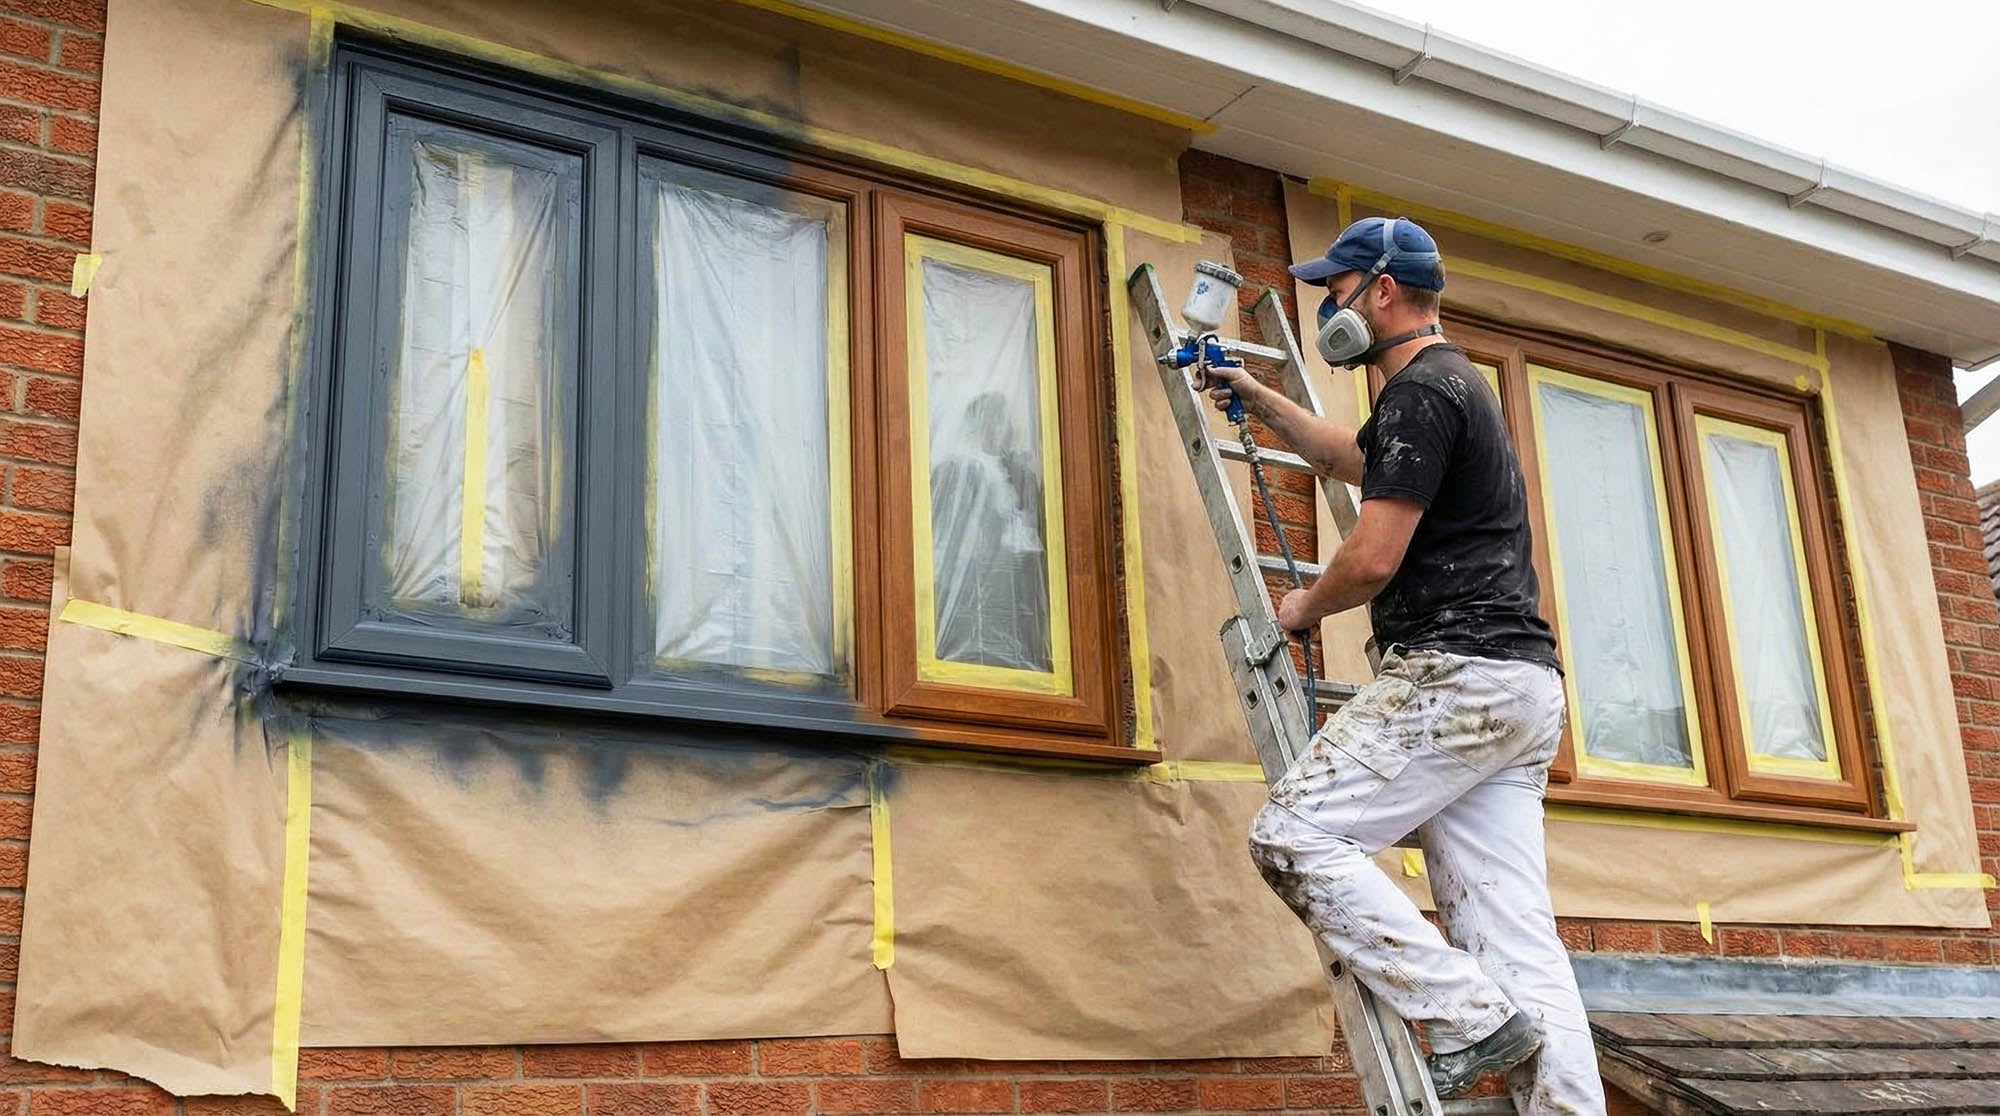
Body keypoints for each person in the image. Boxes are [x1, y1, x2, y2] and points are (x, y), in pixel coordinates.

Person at [1203, 216, 1605, 1115]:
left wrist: (1302, 606)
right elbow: (1354, 459)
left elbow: (1375, 555)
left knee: (1294, 836)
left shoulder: (1423, 393)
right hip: (1521, 691)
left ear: (1381, 290)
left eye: (1335, 291)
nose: (1327, 310)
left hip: (1457, 673)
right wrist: (1260, 399)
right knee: (1515, 934)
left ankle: (1466, 1015)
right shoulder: (1450, 389)